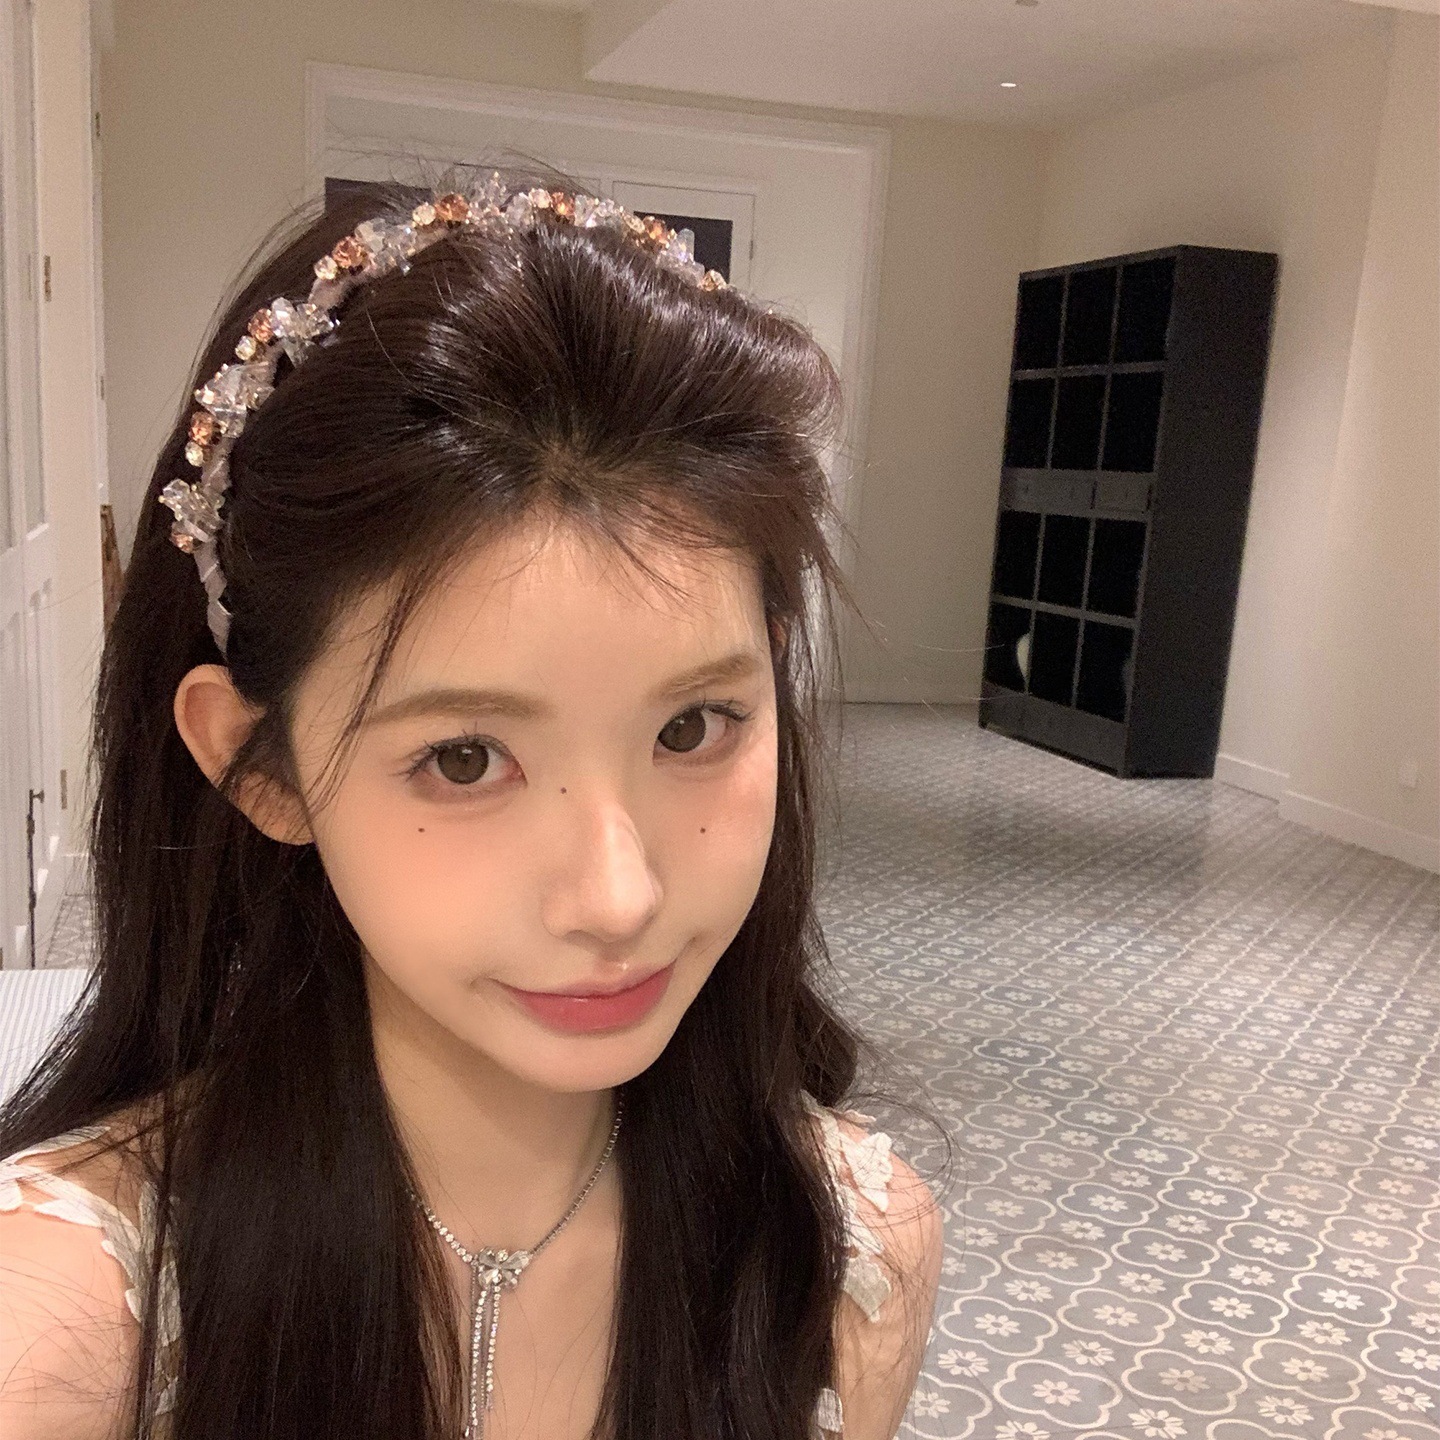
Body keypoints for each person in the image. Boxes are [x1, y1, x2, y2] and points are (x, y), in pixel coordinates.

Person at [0, 166, 945, 1440]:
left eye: (692, 728)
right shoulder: (62, 1331)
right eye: (462, 759)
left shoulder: (846, 1254)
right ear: (259, 766)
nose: (618, 896)